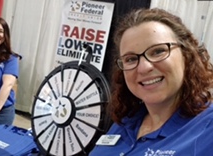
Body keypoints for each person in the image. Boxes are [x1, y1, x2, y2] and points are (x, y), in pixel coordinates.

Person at [90, 8, 213, 155]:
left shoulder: (207, 129)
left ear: (187, 55)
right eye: (131, 59)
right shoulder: (126, 123)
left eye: (158, 51)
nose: (144, 68)